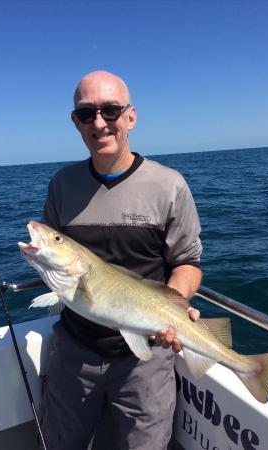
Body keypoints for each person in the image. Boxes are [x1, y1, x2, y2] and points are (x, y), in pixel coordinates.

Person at [39, 70, 202, 450]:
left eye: (110, 110)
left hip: (145, 362)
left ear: (131, 116)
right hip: (73, 354)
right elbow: (56, 259)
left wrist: (173, 309)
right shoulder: (61, 186)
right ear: (75, 122)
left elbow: (188, 262)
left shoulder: (169, 185)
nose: (99, 122)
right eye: (86, 113)